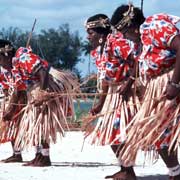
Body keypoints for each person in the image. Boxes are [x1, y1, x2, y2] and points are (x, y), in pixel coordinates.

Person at [111, 4, 180, 180]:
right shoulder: (140, 40)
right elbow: (138, 64)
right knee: (157, 132)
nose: (124, 37)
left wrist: (174, 83)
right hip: (156, 87)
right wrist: (130, 82)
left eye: (124, 33)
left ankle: (175, 173)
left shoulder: (154, 26)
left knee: (158, 130)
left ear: (131, 27)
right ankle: (175, 173)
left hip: (171, 80)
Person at [0, 43, 79, 166]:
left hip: (44, 86)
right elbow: (18, 90)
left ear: (6, 54)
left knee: (40, 122)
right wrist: (11, 109)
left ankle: (45, 157)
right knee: (33, 125)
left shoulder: (24, 58)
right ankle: (38, 155)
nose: (0, 63)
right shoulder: (14, 66)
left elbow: (43, 73)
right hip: (32, 90)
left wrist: (42, 94)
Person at [83, 13, 141, 180]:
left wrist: (129, 83)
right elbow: (105, 80)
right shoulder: (97, 52)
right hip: (112, 96)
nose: (88, 37)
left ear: (101, 33)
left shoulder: (117, 42)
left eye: (91, 33)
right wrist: (100, 103)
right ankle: (126, 168)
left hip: (126, 95)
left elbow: (136, 61)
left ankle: (128, 171)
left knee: (119, 132)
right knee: (110, 133)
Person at [0, 40, 27, 163]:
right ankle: (16, 153)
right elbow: (5, 84)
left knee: (34, 123)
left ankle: (42, 154)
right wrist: (7, 100)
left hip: (28, 97)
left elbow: (19, 86)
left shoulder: (20, 63)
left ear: (6, 55)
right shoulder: (3, 69)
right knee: (10, 124)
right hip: (14, 96)